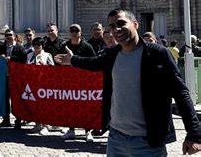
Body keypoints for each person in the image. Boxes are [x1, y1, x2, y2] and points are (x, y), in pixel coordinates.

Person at [55, 9, 201, 156]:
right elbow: (93, 63)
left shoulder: (157, 53)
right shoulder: (112, 54)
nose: (116, 29)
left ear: (135, 24)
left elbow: (180, 92)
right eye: (112, 26)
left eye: (121, 23)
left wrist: (194, 134)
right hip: (115, 140)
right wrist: (72, 60)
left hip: (148, 143)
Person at [59, 23, 96, 142]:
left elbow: (94, 62)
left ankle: (88, 131)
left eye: (77, 30)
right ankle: (71, 130)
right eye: (72, 30)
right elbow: (58, 59)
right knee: (70, 105)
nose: (74, 33)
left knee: (85, 106)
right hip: (68, 81)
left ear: (81, 32)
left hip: (84, 81)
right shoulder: (65, 45)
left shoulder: (87, 46)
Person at [0, 28, 26, 129]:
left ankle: (18, 120)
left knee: (16, 100)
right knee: (5, 99)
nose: (8, 37)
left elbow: (23, 59)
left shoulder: (20, 48)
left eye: (10, 35)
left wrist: (11, 59)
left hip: (16, 78)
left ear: (14, 36)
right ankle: (6, 120)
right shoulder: (1, 47)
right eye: (6, 35)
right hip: (4, 77)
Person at [27, 36, 54, 135]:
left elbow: (53, 70)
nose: (36, 47)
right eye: (34, 45)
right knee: (35, 105)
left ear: (42, 46)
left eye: (38, 45)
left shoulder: (47, 55)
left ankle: (45, 125)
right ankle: (37, 124)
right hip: (32, 84)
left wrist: (45, 67)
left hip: (44, 84)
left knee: (44, 106)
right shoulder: (29, 55)